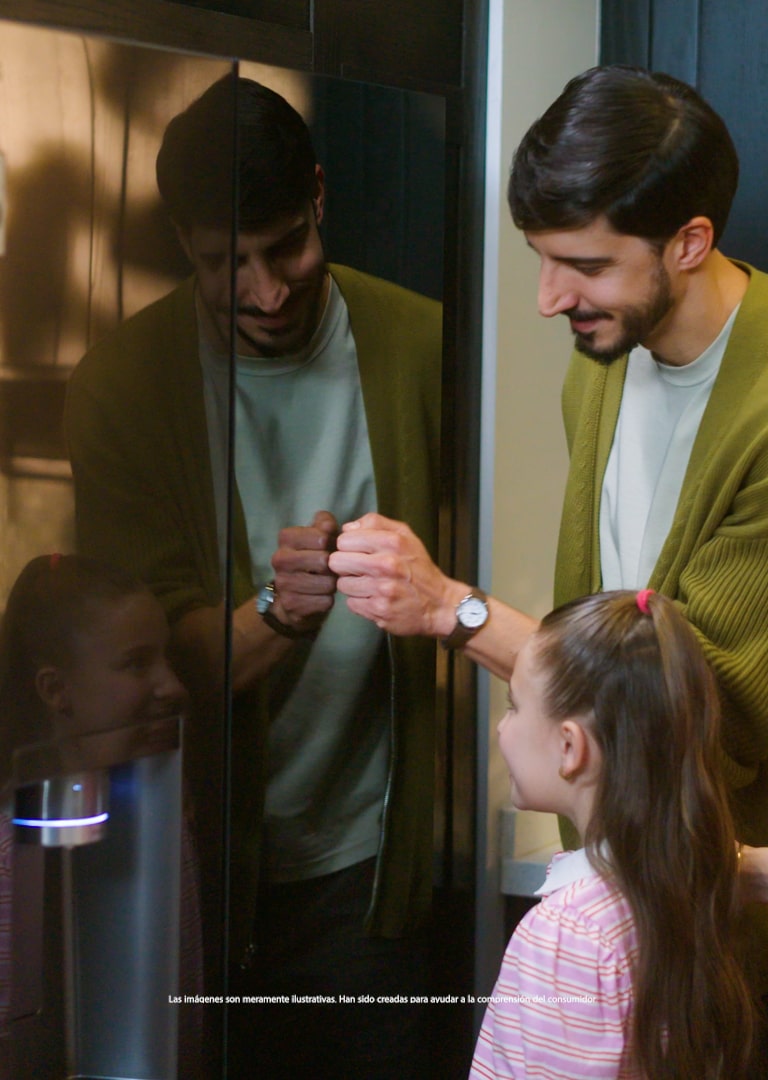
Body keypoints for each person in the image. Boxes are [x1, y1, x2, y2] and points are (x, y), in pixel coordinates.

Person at [328, 66, 768, 1012]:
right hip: (632, 906)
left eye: (587, 264)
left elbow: (693, 704)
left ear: (691, 242)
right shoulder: (604, 368)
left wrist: (455, 609)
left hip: (733, 935)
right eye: (541, 255)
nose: (548, 297)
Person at [64, 74, 442, 1078]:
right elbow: (140, 667)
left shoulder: (418, 345)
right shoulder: (123, 384)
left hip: (371, 874)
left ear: (320, 194)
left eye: (286, 247)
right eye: (226, 262)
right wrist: (280, 610)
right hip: (190, 863)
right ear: (183, 244)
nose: (269, 291)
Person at [468, 589, 754, 1079]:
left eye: (514, 707)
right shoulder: (683, 884)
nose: (501, 729)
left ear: (569, 747)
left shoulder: (567, 935)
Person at [0, 553, 196, 1080]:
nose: (173, 685)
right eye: (137, 663)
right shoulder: (15, 847)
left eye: (166, 659)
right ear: (55, 689)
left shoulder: (163, 816)